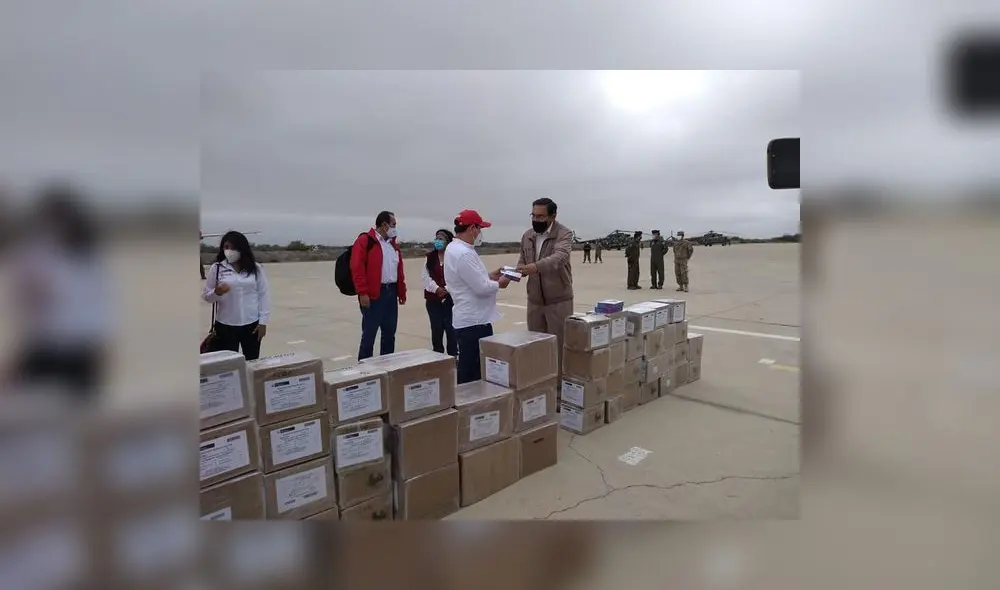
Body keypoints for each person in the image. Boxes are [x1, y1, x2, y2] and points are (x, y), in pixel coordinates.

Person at [8, 184, 113, 400]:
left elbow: (100, 306)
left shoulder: (88, 256)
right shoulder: (35, 252)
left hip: (79, 351)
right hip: (46, 348)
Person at [444, 210, 510, 384]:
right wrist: (500, 283)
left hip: (469, 318)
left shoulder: (454, 248)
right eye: (480, 228)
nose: (480, 233)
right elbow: (481, 288)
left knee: (469, 367)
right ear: (472, 228)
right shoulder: (464, 253)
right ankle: (469, 406)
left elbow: (470, 280)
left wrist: (489, 276)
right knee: (472, 373)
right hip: (474, 322)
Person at [516, 197, 574, 350]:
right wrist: (519, 269)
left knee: (559, 347)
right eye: (533, 215)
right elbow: (522, 258)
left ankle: (560, 375)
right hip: (535, 302)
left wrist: (535, 267)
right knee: (536, 347)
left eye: (540, 216)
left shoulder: (563, 233)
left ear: (552, 217)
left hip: (558, 301)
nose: (536, 219)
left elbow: (560, 257)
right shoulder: (527, 236)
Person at [203, 231, 271, 361]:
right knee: (228, 366)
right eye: (226, 247)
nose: (229, 251)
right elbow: (207, 297)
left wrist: (263, 322)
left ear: (242, 248)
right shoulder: (216, 269)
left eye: (233, 247)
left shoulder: (255, 269)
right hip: (225, 326)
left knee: (252, 361)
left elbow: (263, 295)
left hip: (252, 325)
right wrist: (216, 292)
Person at [350, 210, 407, 360]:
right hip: (374, 294)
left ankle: (386, 369)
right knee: (369, 335)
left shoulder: (393, 245)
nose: (395, 228)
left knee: (389, 334)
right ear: (384, 225)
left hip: (391, 293)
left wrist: (401, 292)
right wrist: (362, 292)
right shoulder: (365, 241)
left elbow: (398, 270)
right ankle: (365, 372)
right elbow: (357, 268)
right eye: (393, 224)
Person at [422, 229, 457, 356]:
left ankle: (453, 357)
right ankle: (437, 356)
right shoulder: (430, 258)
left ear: (448, 242)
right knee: (436, 329)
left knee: (451, 330)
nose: (437, 241)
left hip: (450, 300)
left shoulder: (453, 257)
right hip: (433, 300)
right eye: (436, 238)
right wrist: (436, 288)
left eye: (440, 239)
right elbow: (425, 277)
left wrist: (447, 289)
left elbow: (457, 277)